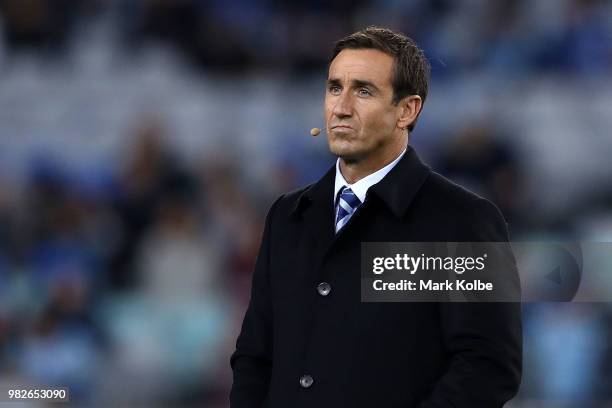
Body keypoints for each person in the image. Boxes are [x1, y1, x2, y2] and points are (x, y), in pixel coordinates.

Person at [230, 26, 522, 408]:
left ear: (407, 110)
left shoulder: (464, 220)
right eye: (335, 88)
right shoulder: (287, 216)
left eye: (363, 91)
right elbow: (255, 355)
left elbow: (489, 366)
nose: (341, 107)